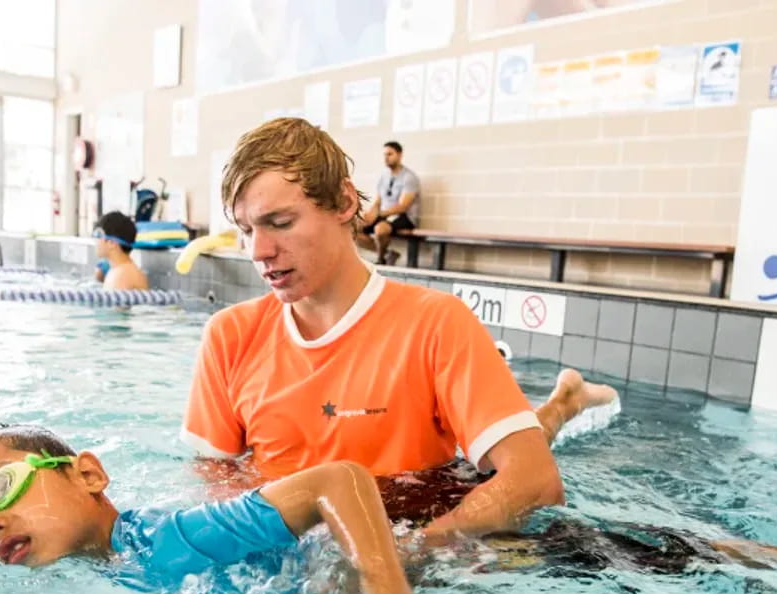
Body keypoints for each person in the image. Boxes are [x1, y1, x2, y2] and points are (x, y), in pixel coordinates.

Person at [182, 117, 615, 547]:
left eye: (280, 223)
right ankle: (559, 404)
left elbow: (535, 481)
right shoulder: (229, 336)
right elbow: (216, 481)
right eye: (246, 230)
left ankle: (560, 405)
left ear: (343, 202)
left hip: (420, 516)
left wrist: (402, 558)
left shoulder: (436, 324)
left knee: (497, 465)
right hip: (301, 547)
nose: (259, 251)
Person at [0, 425, 416, 594]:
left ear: (88, 476)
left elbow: (337, 480)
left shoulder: (167, 539)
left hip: (351, 592)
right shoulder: (89, 567)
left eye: (0, 488)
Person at [355, 140, 420, 265]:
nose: (386, 158)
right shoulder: (383, 176)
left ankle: (381, 260)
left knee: (381, 229)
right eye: (384, 154)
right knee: (353, 227)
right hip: (385, 214)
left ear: (400, 155)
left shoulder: (409, 177)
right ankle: (388, 253)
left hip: (404, 217)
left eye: (390, 154)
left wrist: (379, 214)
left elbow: (403, 206)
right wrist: (370, 214)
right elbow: (378, 201)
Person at [92, 211, 149, 290]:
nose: (95, 241)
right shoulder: (119, 270)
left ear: (112, 243)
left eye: (98, 235)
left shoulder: (122, 276)